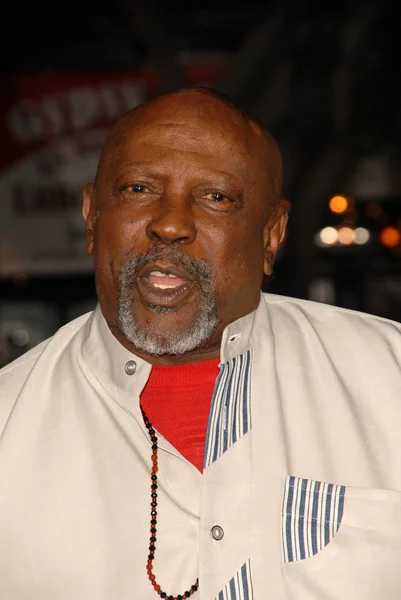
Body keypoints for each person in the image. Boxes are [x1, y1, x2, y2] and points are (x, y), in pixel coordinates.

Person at [0, 87, 401, 600]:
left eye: (216, 197)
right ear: (91, 217)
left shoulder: (387, 377)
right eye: (139, 189)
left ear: (271, 235)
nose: (170, 224)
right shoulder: (10, 422)